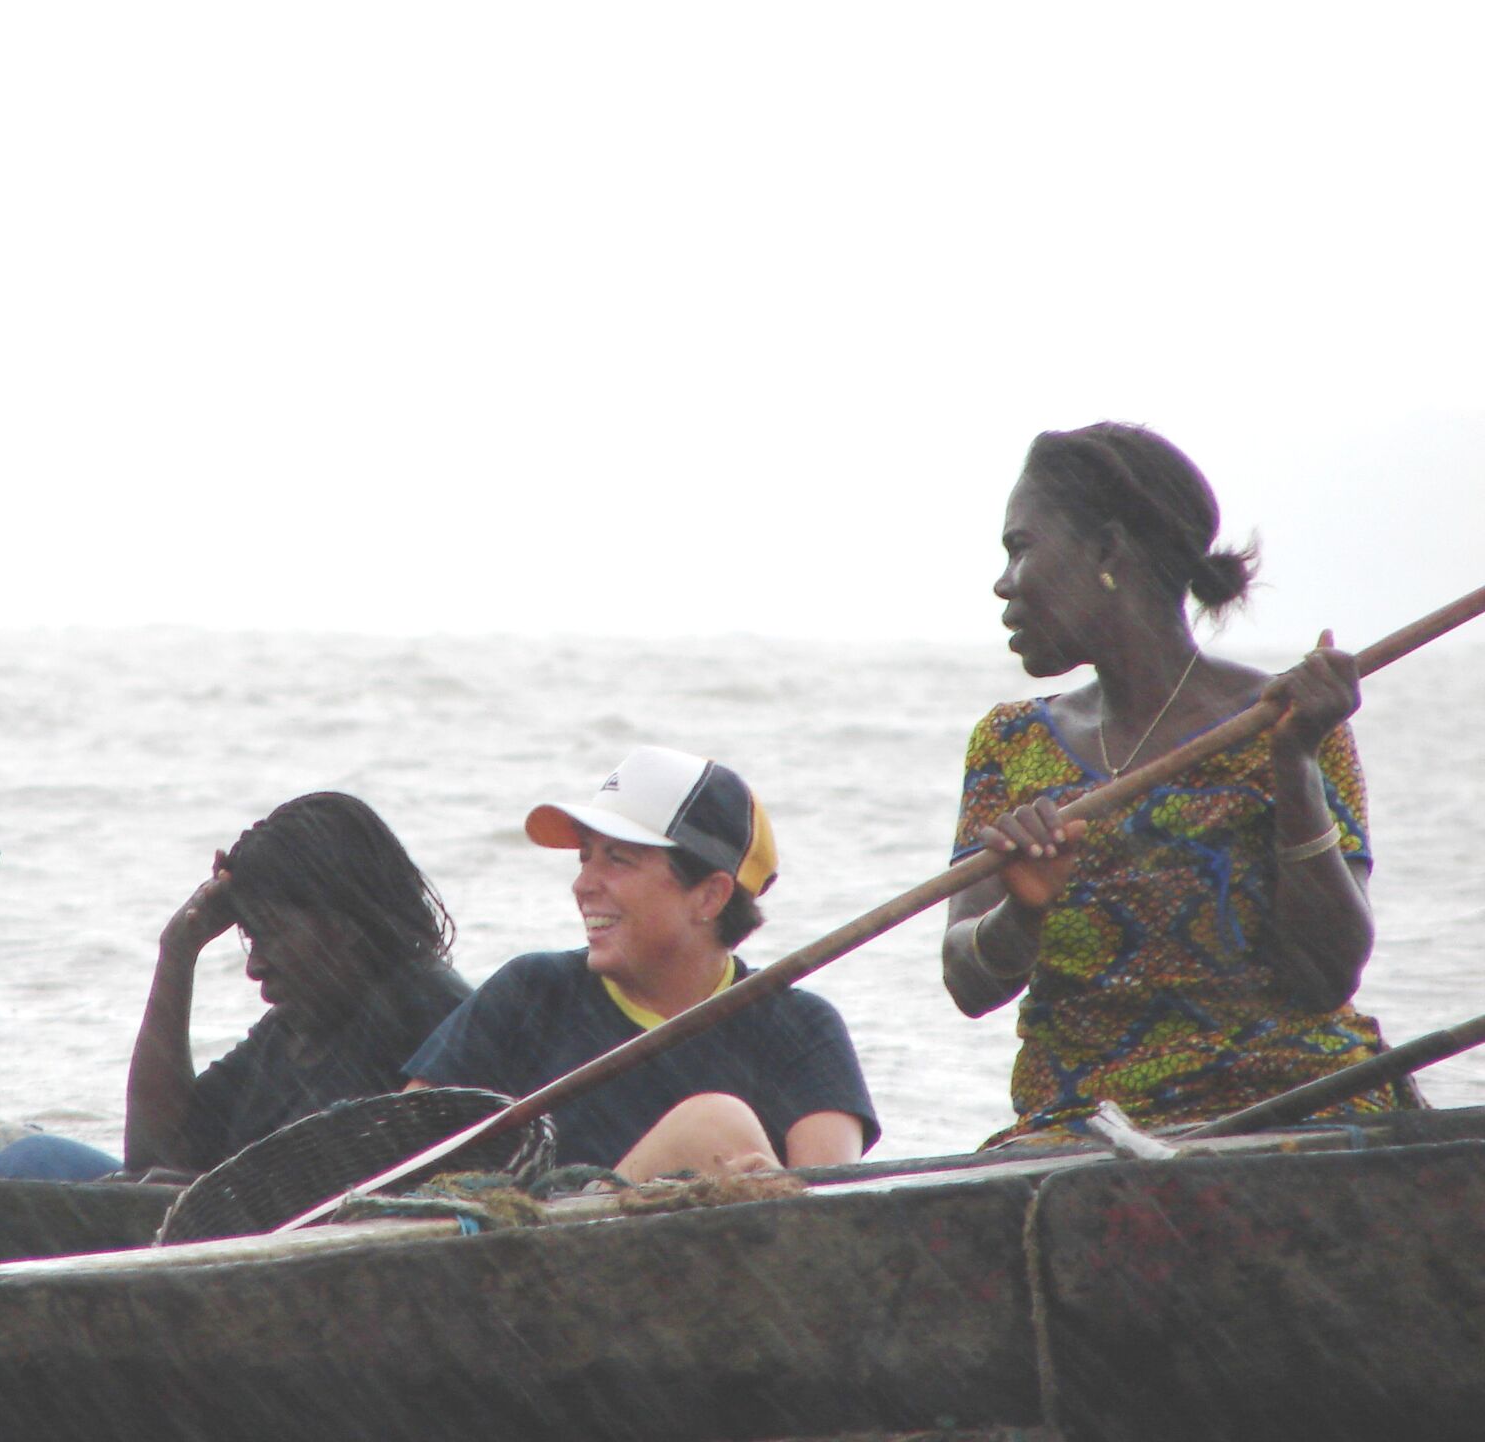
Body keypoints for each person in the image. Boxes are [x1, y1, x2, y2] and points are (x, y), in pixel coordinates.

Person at [942, 422, 1422, 1146]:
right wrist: (1024, 912)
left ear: (1107, 549)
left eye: (1021, 547)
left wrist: (1294, 764)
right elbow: (969, 983)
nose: (1004, 581)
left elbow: (1329, 976)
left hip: (1300, 1106)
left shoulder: (1284, 722)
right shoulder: (1012, 744)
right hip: (1087, 1127)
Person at [405, 746, 878, 1180]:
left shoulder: (802, 1028)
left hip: (734, 1264)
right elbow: (399, 1158)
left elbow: (826, 1210)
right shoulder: (530, 993)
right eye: (584, 858)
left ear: (710, 896)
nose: (583, 885)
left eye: (618, 860)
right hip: (546, 1266)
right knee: (714, 1126)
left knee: (715, 1127)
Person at [0, 792, 471, 1181]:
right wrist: (178, 954)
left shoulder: (427, 1010)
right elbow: (154, 1154)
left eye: (271, 934)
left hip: (293, 1252)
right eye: (250, 940)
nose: (255, 966)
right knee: (31, 1163)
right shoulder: (290, 1034)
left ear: (340, 924)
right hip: (225, 1232)